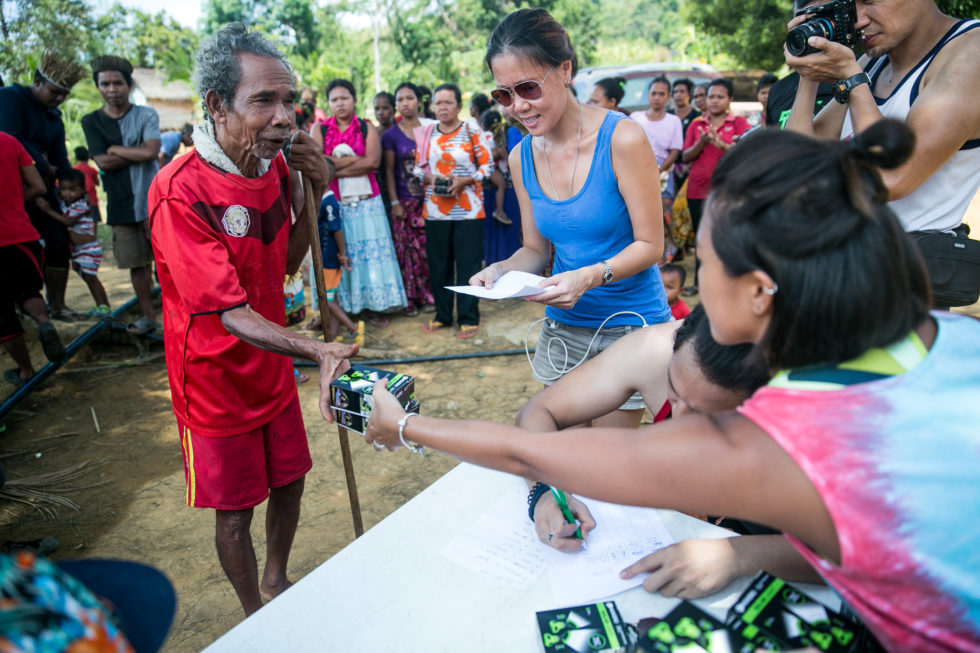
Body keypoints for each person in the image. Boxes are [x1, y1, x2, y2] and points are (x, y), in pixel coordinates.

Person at [368, 119, 980, 650]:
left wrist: (401, 424)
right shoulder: (947, 334)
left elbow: (532, 450)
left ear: (761, 291)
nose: (689, 280)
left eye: (708, 264)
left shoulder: (795, 440)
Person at [147, 24, 358, 617]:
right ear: (217, 106)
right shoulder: (178, 192)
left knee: (290, 478)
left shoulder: (273, 172)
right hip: (215, 378)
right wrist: (315, 349)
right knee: (235, 510)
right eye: (263, 101)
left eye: (288, 100)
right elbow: (230, 311)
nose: (285, 116)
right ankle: (253, 615)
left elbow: (283, 268)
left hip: (273, 359)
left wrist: (311, 193)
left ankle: (276, 580)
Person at [471, 9, 670, 426]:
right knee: (567, 456)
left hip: (628, 326)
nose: (518, 107)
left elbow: (651, 246)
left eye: (527, 88)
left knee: (605, 464)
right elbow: (534, 249)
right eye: (504, 95)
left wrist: (589, 276)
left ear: (564, 70)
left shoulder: (623, 138)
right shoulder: (522, 155)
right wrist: (502, 271)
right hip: (563, 330)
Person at [784, 0, 980, 308]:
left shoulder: (970, 52)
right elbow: (798, 160)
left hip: (903, 293)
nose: (859, 20)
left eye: (872, 1)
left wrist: (852, 79)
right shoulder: (873, 62)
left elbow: (891, 177)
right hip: (838, 275)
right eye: (852, 4)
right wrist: (808, 70)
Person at [311, 79, 407, 327]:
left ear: (354, 99)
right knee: (337, 254)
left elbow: (372, 162)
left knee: (368, 257)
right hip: (334, 202)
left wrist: (334, 165)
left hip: (368, 204)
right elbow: (320, 165)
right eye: (334, 99)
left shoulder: (366, 128)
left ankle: (371, 307)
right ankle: (337, 308)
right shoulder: (319, 129)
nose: (339, 103)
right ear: (328, 103)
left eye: (344, 98)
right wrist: (355, 160)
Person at [0, 50, 86, 322]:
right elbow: (10, 137)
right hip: (12, 188)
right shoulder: (10, 98)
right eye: (55, 91)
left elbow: (60, 158)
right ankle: (18, 310)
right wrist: (41, 163)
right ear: (37, 81)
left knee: (58, 242)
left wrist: (69, 184)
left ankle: (58, 305)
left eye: (64, 94)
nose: (59, 98)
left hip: (44, 189)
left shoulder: (54, 117)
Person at [81, 55, 161, 336]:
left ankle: (179, 313)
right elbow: (101, 163)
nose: (112, 89)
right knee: (136, 264)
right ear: (98, 87)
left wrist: (115, 149)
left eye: (118, 83)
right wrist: (133, 151)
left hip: (154, 201)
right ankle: (149, 316)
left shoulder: (146, 114)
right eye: (105, 84)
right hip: (120, 204)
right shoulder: (91, 121)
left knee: (166, 262)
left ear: (128, 85)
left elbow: (151, 152)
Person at [415, 83, 493, 339]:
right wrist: (431, 179)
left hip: (468, 211)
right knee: (439, 265)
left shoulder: (472, 130)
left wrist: (465, 181)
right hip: (436, 210)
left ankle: (469, 317)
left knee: (468, 266)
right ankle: (443, 315)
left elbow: (487, 167)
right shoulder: (426, 133)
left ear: (459, 105)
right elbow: (418, 169)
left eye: (448, 102)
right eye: (438, 103)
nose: (442, 107)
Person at [0, 132, 66, 389]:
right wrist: (13, 201)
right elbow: (39, 186)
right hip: (21, 237)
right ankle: (44, 323)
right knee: (28, 292)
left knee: (3, 313)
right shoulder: (9, 141)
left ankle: (26, 371)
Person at [681, 78, 750, 294]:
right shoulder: (696, 124)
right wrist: (701, 143)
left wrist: (722, 145)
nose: (715, 101)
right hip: (698, 189)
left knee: (726, 236)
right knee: (701, 237)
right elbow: (685, 157)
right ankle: (699, 284)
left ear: (729, 99)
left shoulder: (739, 123)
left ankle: (727, 283)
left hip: (727, 190)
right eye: (711, 96)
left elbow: (745, 154)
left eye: (720, 97)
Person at [382, 82, 435, 316]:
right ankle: (411, 300)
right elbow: (389, 172)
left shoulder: (431, 129)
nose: (405, 103)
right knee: (406, 252)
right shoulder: (391, 135)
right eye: (400, 99)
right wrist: (394, 202)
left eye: (409, 98)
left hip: (431, 201)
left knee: (428, 251)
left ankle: (430, 295)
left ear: (419, 101)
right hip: (404, 202)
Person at [34, 169, 110, 318]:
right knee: (88, 277)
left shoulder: (81, 205)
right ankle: (100, 305)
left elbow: (68, 221)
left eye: (72, 190)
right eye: (63, 189)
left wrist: (47, 210)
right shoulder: (67, 202)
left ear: (82, 190)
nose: (67, 193)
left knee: (91, 278)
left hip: (88, 249)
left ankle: (104, 306)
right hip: (80, 250)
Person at [631, 76, 684, 263]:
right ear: (648, 95)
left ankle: (666, 256)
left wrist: (658, 170)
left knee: (664, 216)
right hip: (636, 173)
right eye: (654, 93)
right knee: (640, 215)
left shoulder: (673, 121)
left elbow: (675, 151)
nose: (657, 97)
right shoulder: (635, 119)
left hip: (663, 175)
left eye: (662, 94)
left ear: (668, 97)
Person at [480, 107, 524, 264]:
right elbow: (499, 152)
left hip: (494, 182)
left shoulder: (488, 134)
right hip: (500, 180)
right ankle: (499, 211)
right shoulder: (504, 133)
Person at [72, 146, 101, 223]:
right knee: (94, 220)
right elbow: (97, 183)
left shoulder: (74, 169)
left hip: (79, 199)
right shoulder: (92, 169)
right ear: (88, 157)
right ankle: (93, 235)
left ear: (76, 158)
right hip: (92, 198)